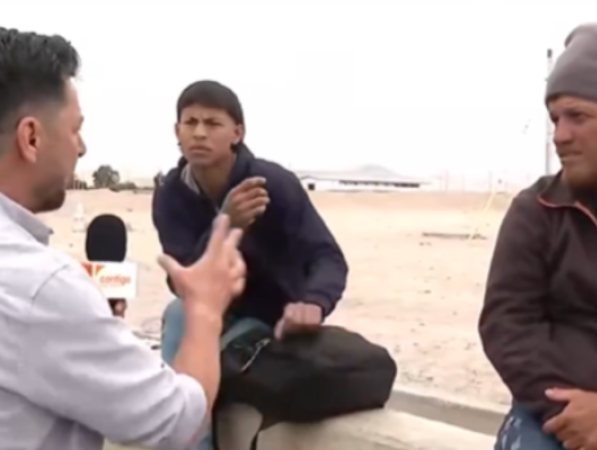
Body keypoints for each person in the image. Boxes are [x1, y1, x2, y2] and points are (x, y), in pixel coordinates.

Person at [0, 28, 246, 450]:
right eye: (75, 129)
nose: (82, 147)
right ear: (31, 138)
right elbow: (172, 422)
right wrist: (205, 309)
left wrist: (88, 322)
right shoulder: (41, 287)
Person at [153, 80, 348, 364]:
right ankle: (177, 393)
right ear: (177, 131)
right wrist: (225, 224)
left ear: (237, 133)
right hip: (210, 309)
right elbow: (182, 280)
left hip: (276, 318)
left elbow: (327, 256)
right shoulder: (171, 194)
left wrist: (314, 302)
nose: (199, 133)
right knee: (177, 313)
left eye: (213, 123)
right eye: (190, 122)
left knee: (234, 348)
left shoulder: (271, 184)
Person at [479, 22, 597, 450]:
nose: (559, 136)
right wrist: (573, 412)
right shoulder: (537, 210)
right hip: (558, 410)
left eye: (577, 117)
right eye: (555, 119)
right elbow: (507, 326)